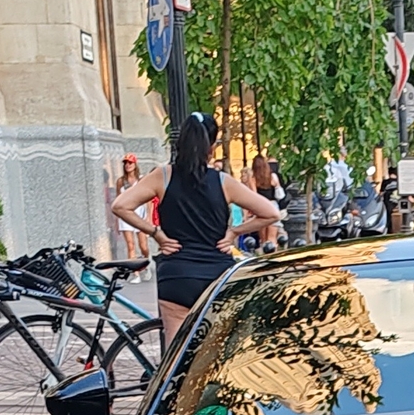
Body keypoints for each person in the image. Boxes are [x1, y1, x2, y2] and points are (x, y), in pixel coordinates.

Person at [112, 112, 283, 342]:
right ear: (211, 147)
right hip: (216, 275)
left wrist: (156, 233)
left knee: (176, 359)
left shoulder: (162, 176)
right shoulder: (223, 182)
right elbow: (270, 213)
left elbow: (121, 206)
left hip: (177, 274)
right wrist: (234, 232)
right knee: (215, 355)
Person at [107, 154, 145, 260]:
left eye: (130, 163)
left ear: (135, 164)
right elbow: (118, 201)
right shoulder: (121, 181)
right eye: (125, 163)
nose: (127, 165)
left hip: (139, 214)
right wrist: (116, 220)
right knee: (130, 245)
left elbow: (148, 199)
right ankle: (135, 273)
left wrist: (149, 216)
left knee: (143, 246)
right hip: (125, 215)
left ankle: (145, 264)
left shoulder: (141, 180)